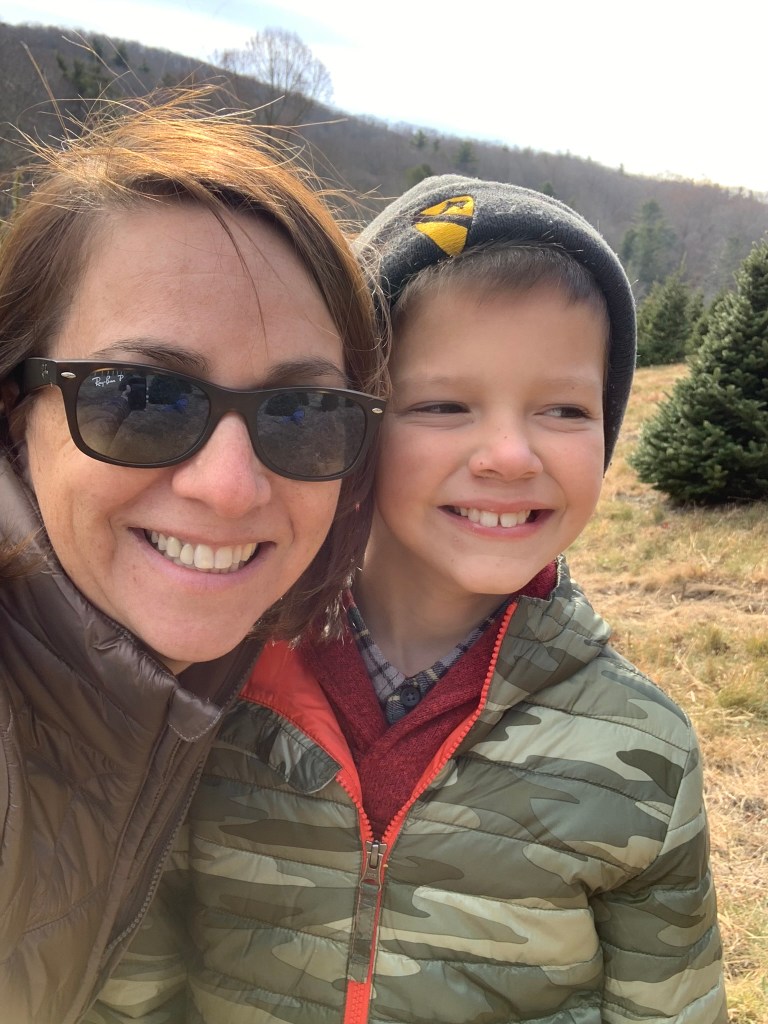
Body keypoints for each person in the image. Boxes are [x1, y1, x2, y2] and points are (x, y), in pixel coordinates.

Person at [94, 177, 726, 1023]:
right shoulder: (214, 684)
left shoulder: (641, 749)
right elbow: (138, 977)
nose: (509, 453)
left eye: (564, 409)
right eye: (444, 405)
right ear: (348, 426)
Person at [0, 93, 387, 1024]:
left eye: (302, 413)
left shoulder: (207, 667)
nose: (229, 487)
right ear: (17, 412)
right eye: (142, 395)